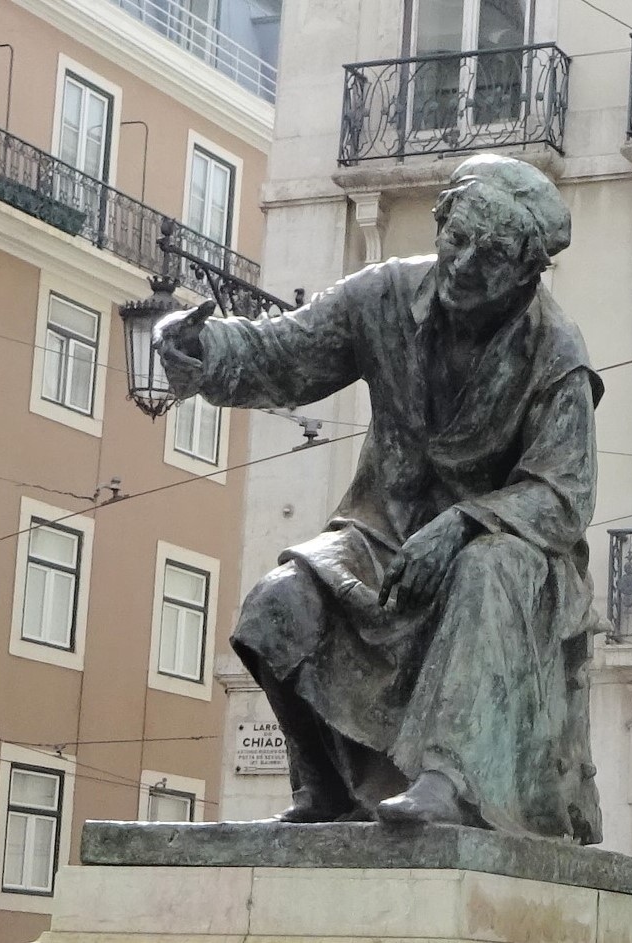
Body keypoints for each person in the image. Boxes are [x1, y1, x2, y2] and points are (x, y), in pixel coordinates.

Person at [155, 154, 604, 843]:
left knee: (483, 571)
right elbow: (284, 352)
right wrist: (201, 349)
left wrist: (461, 525)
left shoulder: (556, 352)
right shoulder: (384, 295)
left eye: (489, 256)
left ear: (526, 271)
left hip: (509, 553)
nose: (463, 265)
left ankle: (449, 781)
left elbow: (562, 495)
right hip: (380, 537)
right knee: (278, 600)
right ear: (440, 224)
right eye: (457, 239)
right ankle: (324, 786)